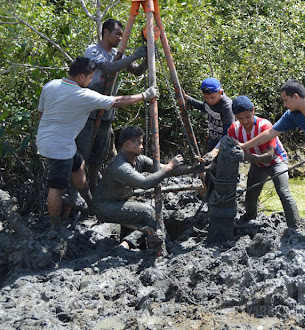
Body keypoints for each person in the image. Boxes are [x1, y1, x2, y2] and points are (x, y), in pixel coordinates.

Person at [36, 57, 158, 232]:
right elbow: (117, 101)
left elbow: (41, 114)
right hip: (58, 147)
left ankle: (89, 201)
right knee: (56, 187)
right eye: (90, 77)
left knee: (79, 166)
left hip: (55, 141)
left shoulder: (51, 85)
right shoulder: (82, 95)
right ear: (81, 77)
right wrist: (145, 96)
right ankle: (54, 227)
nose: (91, 81)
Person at [236, 79, 305, 232]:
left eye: (286, 100)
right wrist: (244, 146)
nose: (285, 105)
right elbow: (271, 132)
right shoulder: (292, 115)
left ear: (296, 96)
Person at [92, 126, 199, 250]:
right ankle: (165, 246)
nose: (142, 147)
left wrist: (192, 168)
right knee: (147, 212)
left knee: (151, 212)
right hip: (105, 207)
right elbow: (145, 183)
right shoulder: (120, 166)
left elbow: (162, 169)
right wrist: (170, 166)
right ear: (128, 144)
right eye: (140, 143)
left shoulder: (138, 160)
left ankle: (130, 242)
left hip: (119, 201)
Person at [75, 18, 148, 191]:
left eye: (121, 35)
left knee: (98, 157)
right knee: (82, 154)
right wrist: (135, 55)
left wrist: (147, 55)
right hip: (89, 112)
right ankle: (78, 193)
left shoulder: (118, 53)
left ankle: (94, 191)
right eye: (117, 34)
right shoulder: (93, 50)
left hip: (106, 112)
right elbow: (108, 68)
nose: (119, 38)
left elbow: (137, 71)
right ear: (106, 32)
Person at [228, 95, 299, 229]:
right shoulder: (234, 129)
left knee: (283, 192)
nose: (245, 121)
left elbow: (269, 156)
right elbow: (229, 145)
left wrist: (246, 156)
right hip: (257, 165)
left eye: (247, 117)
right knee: (251, 194)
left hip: (276, 161)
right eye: (240, 118)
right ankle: (249, 217)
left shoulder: (264, 125)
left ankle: (294, 225)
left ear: (253, 110)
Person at [183, 77, 234, 160]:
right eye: (206, 98)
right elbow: (204, 107)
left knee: (223, 170)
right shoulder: (209, 101)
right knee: (210, 168)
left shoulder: (227, 107)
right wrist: (187, 98)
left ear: (220, 92)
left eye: (212, 97)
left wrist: (216, 150)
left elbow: (228, 132)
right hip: (213, 139)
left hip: (226, 143)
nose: (209, 101)